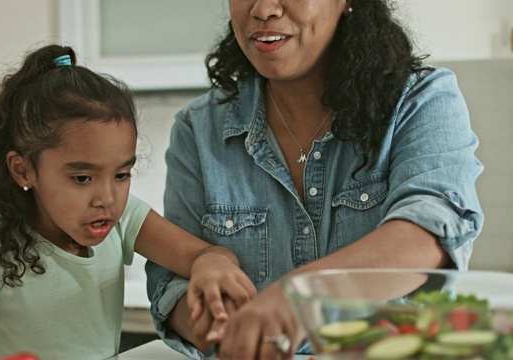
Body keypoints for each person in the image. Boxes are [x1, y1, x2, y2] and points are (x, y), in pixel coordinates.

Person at [145, 0, 484, 359]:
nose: (263, 9)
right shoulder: (197, 129)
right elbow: (174, 282)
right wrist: (218, 328)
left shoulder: (421, 101)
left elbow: (428, 232)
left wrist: (303, 294)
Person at [0, 44, 256, 360]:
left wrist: (211, 265)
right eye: (82, 178)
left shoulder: (122, 218)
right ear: (23, 170)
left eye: (121, 175)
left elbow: (203, 254)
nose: (107, 198)